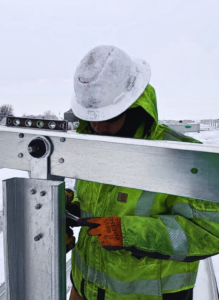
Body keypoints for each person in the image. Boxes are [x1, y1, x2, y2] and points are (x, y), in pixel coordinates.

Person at [66, 45, 219, 300]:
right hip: (85, 288)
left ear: (136, 108)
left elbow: (210, 231)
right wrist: (72, 209)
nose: (98, 128)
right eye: (92, 118)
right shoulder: (94, 146)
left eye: (109, 118)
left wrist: (128, 233)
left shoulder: (181, 157)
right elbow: (98, 205)